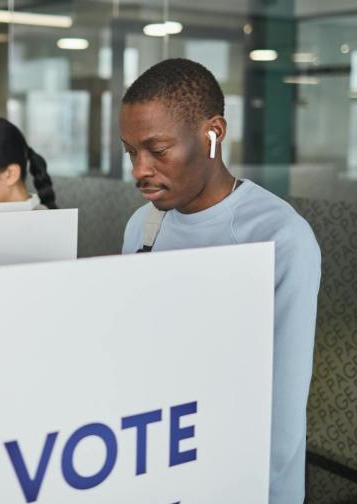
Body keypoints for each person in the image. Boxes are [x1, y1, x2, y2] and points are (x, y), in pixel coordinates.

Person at [120, 58, 321, 504]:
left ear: (213, 133)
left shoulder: (279, 237)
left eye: (158, 149)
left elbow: (282, 412)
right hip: (158, 466)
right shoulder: (142, 226)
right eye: (131, 151)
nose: (139, 170)